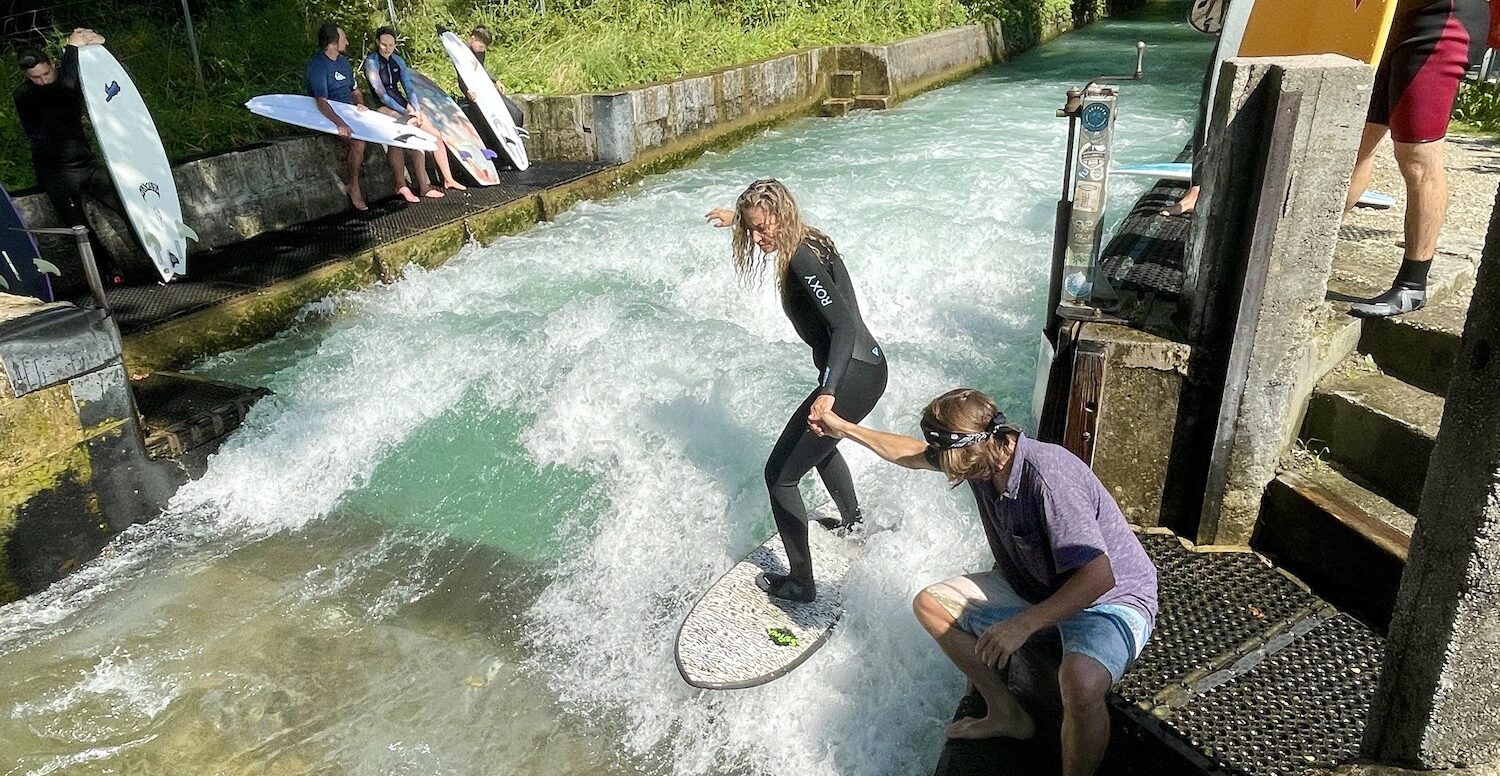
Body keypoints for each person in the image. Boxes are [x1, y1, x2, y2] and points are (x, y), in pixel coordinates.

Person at [809, 389, 1157, 776]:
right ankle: (1006, 712)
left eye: (962, 468)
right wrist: (841, 427)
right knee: (931, 604)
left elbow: (1098, 575)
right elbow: (908, 452)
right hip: (1036, 587)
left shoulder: (1049, 478)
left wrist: (1022, 626)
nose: (957, 475)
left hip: (1109, 598)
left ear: (991, 443)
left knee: (1080, 681)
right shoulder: (981, 455)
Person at [705, 179, 887, 603]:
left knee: (780, 476)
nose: (755, 237)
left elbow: (842, 327)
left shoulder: (802, 259)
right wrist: (737, 220)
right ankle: (854, 524)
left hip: (852, 374)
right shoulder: (807, 237)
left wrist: (828, 391)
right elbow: (764, 228)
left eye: (761, 228)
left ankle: (802, 582)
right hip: (866, 367)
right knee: (819, 446)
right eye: (750, 229)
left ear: (781, 218)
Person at [1344, 0, 1489, 317]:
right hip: (1390, 18)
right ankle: (1308, 247)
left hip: (1442, 20)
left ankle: (1412, 285)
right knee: (1353, 142)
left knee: (1417, 155)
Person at [13, 28, 125, 283]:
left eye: (45, 73)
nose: (42, 80)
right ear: (26, 77)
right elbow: (64, 87)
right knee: (79, 228)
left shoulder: (66, 78)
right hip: (54, 172)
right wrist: (71, 48)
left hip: (84, 162)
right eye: (35, 78)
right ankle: (110, 273)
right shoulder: (25, 95)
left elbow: (102, 72)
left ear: (51, 65)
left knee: (125, 205)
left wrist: (98, 42)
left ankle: (159, 258)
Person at [363, 26, 466, 199]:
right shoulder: (372, 62)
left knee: (434, 135)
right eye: (383, 44)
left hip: (403, 104)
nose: (387, 48)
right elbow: (381, 93)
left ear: (395, 44)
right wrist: (405, 112)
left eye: (390, 45)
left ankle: (447, 179)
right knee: (404, 135)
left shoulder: (398, 61)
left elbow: (409, 89)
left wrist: (416, 110)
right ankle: (401, 185)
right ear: (377, 43)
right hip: (382, 106)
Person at [306, 23, 380, 210]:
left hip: (349, 111)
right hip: (328, 114)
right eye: (343, 39)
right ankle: (353, 186)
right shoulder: (318, 66)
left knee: (376, 133)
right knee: (358, 143)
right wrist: (339, 123)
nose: (346, 42)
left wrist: (360, 103)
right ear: (332, 43)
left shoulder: (343, 62)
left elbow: (354, 90)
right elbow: (321, 101)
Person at [455, 26, 526, 166]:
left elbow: (480, 69)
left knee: (516, 114)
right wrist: (467, 93)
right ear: (473, 39)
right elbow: (461, 77)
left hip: (484, 90)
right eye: (481, 46)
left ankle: (514, 150)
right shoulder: (460, 52)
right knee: (486, 122)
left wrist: (495, 80)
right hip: (473, 94)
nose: (483, 50)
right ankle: (498, 157)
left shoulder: (480, 52)